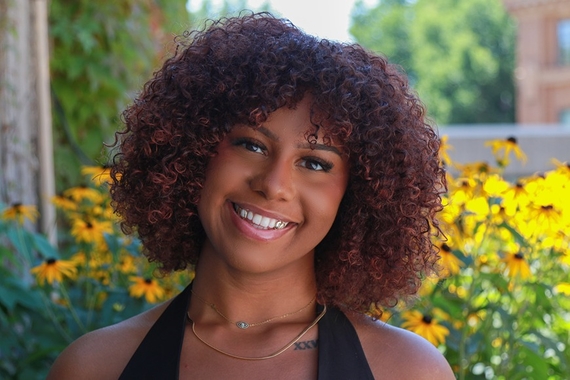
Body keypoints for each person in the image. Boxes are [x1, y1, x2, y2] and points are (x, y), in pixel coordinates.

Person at [48, 12, 455, 379]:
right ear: (194, 152)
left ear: (358, 195)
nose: (274, 184)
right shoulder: (94, 367)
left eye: (314, 163)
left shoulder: (407, 371)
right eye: (252, 145)